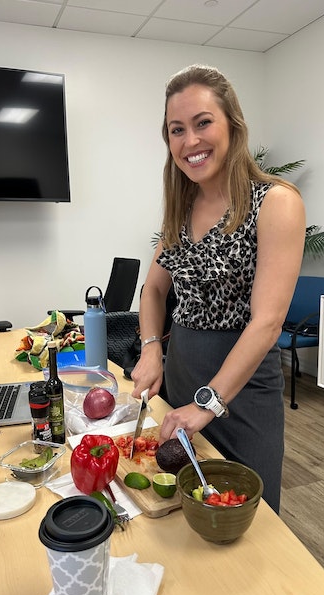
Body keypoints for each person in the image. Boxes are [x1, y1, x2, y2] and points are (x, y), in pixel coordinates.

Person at [131, 64, 306, 514]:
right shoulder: (181, 208)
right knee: (183, 508)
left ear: (233, 124)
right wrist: (151, 348)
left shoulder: (275, 202)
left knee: (247, 516)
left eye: (203, 122)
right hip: (182, 373)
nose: (190, 141)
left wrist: (209, 403)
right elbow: (152, 291)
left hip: (240, 391)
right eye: (177, 129)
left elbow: (267, 323)